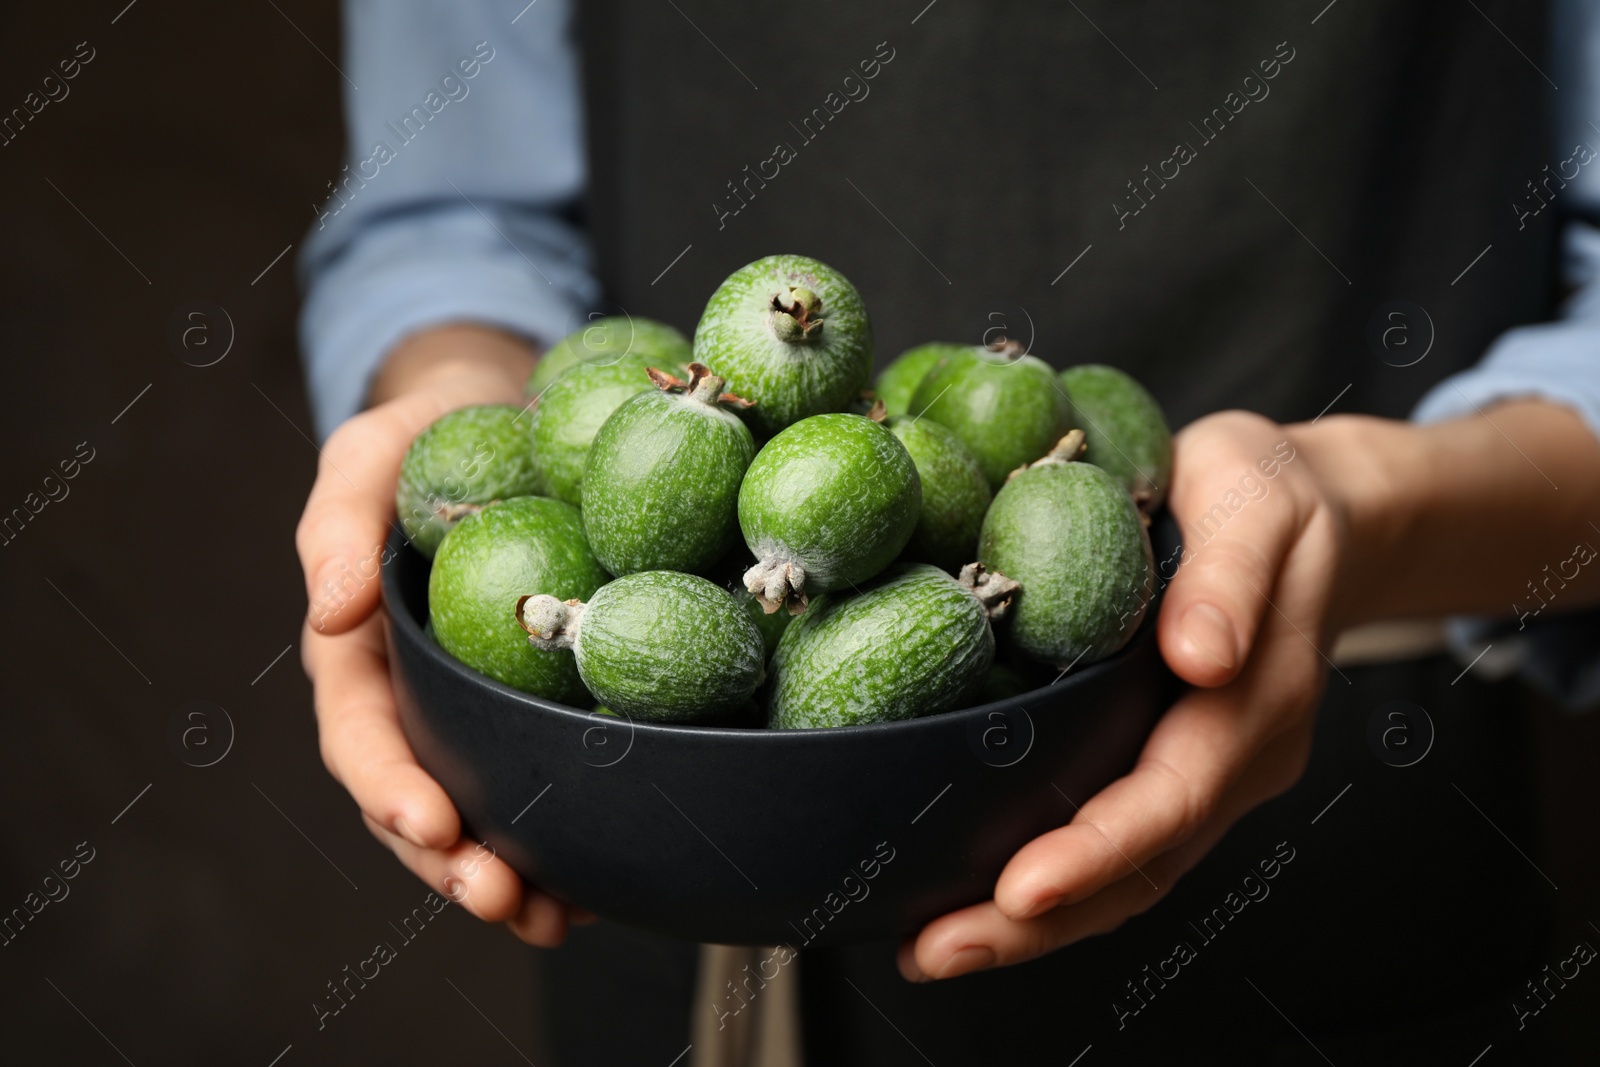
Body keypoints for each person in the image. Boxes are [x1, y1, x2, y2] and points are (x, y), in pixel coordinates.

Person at [296, 1, 1600, 1061]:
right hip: (661, 857)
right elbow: (454, 222)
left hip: (1329, 878)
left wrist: (1372, 512)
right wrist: (446, 413)